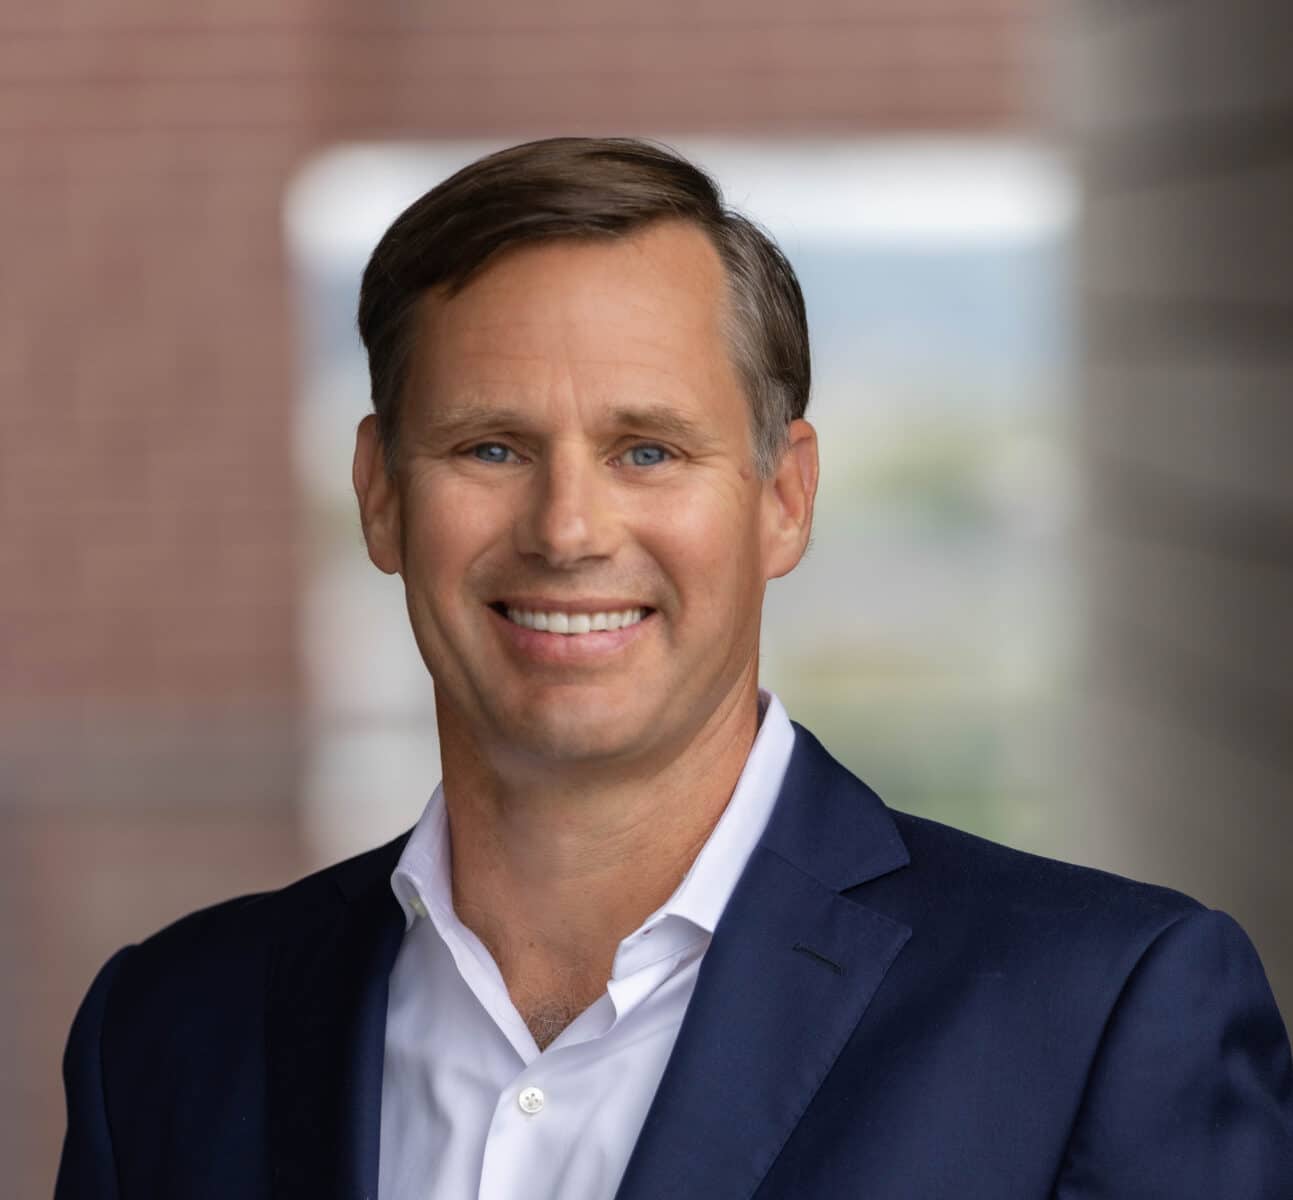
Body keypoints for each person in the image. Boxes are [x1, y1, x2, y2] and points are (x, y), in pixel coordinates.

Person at [56, 137, 1292, 1200]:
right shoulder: (166, 1035)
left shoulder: (1097, 1018)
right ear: (382, 497)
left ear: (785, 500)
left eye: (647, 451)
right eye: (490, 446)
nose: (568, 529)